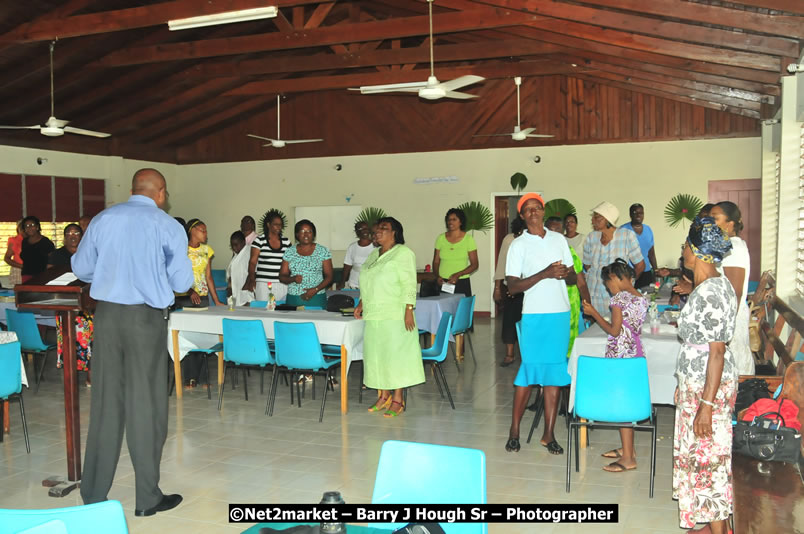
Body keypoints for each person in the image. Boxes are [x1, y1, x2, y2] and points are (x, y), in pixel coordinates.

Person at [72, 168, 192, 517]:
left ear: (132, 189)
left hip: (107, 317)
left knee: (105, 404)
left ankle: (93, 497)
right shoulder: (167, 225)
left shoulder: (103, 219)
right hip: (145, 319)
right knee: (146, 405)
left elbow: (82, 268)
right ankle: (147, 498)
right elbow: (182, 282)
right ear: (161, 192)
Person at [672, 217, 736, 534]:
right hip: (697, 385)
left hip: (708, 389)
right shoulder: (712, 285)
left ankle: (720, 530)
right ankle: (710, 525)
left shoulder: (710, 292)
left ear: (696, 251)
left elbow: (716, 352)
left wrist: (706, 405)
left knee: (709, 464)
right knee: (701, 460)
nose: (683, 250)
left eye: (686, 244)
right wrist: (683, 385)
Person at [505, 193, 577, 455]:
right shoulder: (518, 245)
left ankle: (549, 434)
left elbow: (573, 278)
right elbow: (513, 287)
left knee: (554, 377)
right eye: (528, 209)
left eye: (537, 207)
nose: (533, 212)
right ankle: (514, 430)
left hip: (559, 314)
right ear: (522, 215)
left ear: (543, 211)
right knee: (528, 374)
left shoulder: (559, 239)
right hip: (534, 316)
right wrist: (545, 273)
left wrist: (564, 273)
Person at [582, 259, 648, 473]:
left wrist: (594, 313)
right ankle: (628, 449)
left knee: (622, 406)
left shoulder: (618, 299)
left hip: (621, 355)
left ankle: (628, 458)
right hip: (635, 353)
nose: (607, 287)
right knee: (628, 401)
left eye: (607, 283)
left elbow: (614, 330)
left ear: (615, 278)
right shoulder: (641, 297)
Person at [354, 216, 424, 418]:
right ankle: (383, 396)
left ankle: (398, 399)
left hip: (395, 314)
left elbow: (409, 282)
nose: (378, 231)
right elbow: (367, 282)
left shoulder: (403, 253)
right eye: (377, 228)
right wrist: (361, 302)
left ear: (395, 232)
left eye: (383, 228)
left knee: (395, 357)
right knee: (376, 356)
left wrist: (409, 309)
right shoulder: (373, 255)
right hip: (373, 315)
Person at [711, 201, 753, 376]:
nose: (710, 222)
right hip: (725, 317)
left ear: (730, 223)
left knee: (732, 369)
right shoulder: (725, 246)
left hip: (730, 319)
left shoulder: (734, 248)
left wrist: (725, 329)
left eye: (715, 218)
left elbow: (735, 292)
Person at [47, 224, 93, 383]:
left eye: (76, 233)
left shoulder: (89, 252)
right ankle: (70, 374)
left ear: (82, 236)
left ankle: (91, 373)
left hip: (87, 304)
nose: (73, 236)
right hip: (65, 303)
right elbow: (49, 275)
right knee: (68, 341)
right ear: (65, 236)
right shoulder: (56, 255)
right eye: (69, 233)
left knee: (89, 340)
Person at [583, 201, 645, 319]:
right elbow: (587, 266)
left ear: (608, 219)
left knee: (616, 326)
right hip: (594, 295)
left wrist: (626, 285)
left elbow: (640, 265)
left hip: (616, 295)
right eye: (593, 217)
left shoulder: (627, 236)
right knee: (595, 328)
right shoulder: (591, 238)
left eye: (597, 217)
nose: (592, 220)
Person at [545, 216, 590, 358]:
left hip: (570, 306)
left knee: (567, 347)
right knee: (550, 345)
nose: (554, 235)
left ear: (562, 233)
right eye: (550, 231)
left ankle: (567, 370)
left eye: (557, 231)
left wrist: (588, 308)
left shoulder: (569, 252)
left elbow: (581, 283)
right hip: (546, 307)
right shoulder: (538, 253)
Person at [279, 219, 333, 308]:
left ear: (313, 234)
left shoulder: (323, 251)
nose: (306, 234)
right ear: (297, 234)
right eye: (302, 231)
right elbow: (282, 276)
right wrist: (293, 279)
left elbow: (329, 276)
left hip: (317, 297)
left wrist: (315, 289)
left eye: (309, 231)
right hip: (294, 298)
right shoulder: (289, 252)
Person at [494, 217, 526, 367]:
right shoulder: (509, 239)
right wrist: (497, 287)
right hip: (512, 288)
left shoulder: (535, 240)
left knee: (528, 322)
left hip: (531, 288)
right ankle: (509, 354)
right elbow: (501, 264)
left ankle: (528, 355)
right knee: (509, 321)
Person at [245, 210, 291, 303]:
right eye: (276, 224)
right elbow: (252, 262)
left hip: (282, 284)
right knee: (263, 308)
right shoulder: (259, 241)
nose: (279, 227)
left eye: (280, 225)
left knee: (281, 309)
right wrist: (252, 279)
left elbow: (290, 263)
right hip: (263, 284)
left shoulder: (286, 242)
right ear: (268, 225)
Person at [177, 218, 224, 309]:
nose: (206, 234)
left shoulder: (207, 250)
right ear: (192, 230)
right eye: (203, 231)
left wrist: (216, 301)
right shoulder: (181, 249)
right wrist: (190, 291)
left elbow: (208, 277)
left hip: (202, 297)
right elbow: (177, 274)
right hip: (183, 297)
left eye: (206, 231)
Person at [432, 208, 478, 297]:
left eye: (454, 219)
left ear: (461, 222)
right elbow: (436, 261)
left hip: (461, 281)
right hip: (443, 282)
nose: (450, 222)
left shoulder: (468, 239)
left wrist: (458, 274)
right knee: (442, 306)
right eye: (449, 219)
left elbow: (475, 265)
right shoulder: (440, 238)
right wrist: (437, 276)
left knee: (462, 306)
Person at [621, 204, 658, 290]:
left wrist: (655, 271)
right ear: (630, 214)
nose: (638, 215)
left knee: (646, 296)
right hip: (629, 273)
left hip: (646, 272)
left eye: (641, 213)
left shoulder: (648, 229)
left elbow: (651, 253)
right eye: (635, 212)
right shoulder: (623, 230)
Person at [339, 221, 373, 289]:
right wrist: (342, 282)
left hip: (371, 283)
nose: (365, 230)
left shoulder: (376, 246)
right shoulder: (352, 247)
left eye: (366, 228)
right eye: (361, 228)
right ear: (357, 232)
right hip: (354, 282)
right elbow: (347, 265)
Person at [20, 215, 55, 281]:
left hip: (42, 276)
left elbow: (52, 261)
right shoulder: (24, 242)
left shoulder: (46, 242)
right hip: (26, 276)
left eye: (32, 225)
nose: (29, 227)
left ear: (37, 227)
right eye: (26, 226)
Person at [226, 231, 254, 306]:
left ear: (243, 242)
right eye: (232, 245)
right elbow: (231, 272)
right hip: (236, 292)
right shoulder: (236, 255)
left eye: (236, 245)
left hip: (246, 292)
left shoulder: (249, 252)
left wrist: (245, 288)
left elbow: (252, 271)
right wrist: (229, 287)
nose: (234, 248)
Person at [4, 220, 24, 285]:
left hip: (33, 270)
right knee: (20, 290)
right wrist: (22, 266)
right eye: (21, 228)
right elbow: (7, 258)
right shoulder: (15, 240)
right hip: (18, 270)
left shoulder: (35, 240)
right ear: (18, 229)